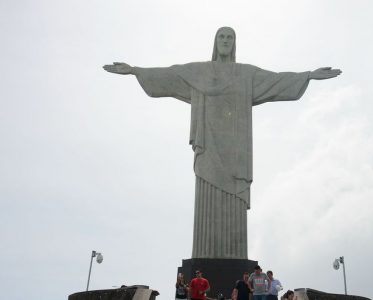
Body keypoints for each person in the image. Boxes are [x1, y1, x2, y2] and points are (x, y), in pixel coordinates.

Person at [104, 27, 341, 260]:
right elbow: (170, 74)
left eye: (230, 37)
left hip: (235, 151)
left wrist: (307, 75)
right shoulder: (199, 72)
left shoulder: (246, 74)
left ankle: (233, 254)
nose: (226, 40)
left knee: (233, 195)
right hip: (207, 144)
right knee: (206, 190)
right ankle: (204, 253)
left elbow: (276, 81)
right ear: (215, 42)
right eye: (222, 36)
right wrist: (135, 70)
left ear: (234, 43)